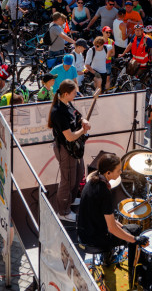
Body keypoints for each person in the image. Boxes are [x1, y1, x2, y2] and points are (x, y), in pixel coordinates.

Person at [76, 153, 138, 253]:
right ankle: (132, 267)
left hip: (84, 232)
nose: (121, 172)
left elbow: (103, 216)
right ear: (108, 173)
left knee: (125, 229)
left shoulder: (92, 180)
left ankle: (108, 257)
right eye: (118, 171)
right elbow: (112, 228)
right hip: (94, 239)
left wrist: (122, 227)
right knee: (135, 229)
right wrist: (135, 240)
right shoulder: (104, 192)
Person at [48, 79, 89, 221]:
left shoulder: (67, 103)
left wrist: (83, 120)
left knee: (77, 174)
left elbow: (77, 115)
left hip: (73, 148)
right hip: (65, 148)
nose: (76, 95)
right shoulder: (58, 111)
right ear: (66, 94)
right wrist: (83, 132)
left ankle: (70, 200)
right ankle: (63, 212)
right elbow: (70, 137)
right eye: (74, 93)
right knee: (67, 180)